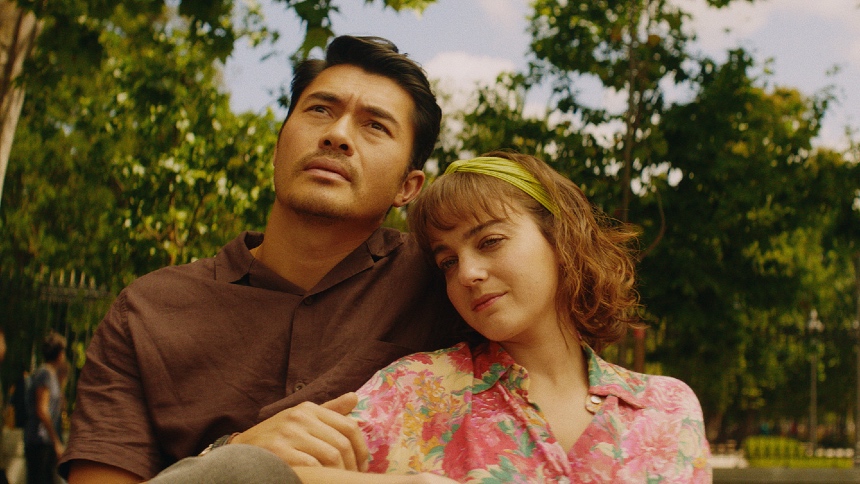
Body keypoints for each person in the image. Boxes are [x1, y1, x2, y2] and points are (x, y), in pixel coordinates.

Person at [59, 35, 463, 483]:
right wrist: (231, 457)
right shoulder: (148, 311)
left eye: (375, 126)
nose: (337, 135)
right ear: (278, 148)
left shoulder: (448, 279)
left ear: (408, 187)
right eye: (320, 110)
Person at [292, 151, 712, 482]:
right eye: (448, 262)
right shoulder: (418, 391)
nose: (467, 274)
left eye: (490, 241)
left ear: (560, 237)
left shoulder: (668, 409)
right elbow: (277, 473)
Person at [24, 332, 67, 484]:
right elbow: (42, 410)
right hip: (39, 441)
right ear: (59, 354)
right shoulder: (44, 374)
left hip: (46, 442)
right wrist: (56, 441)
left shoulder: (52, 375)